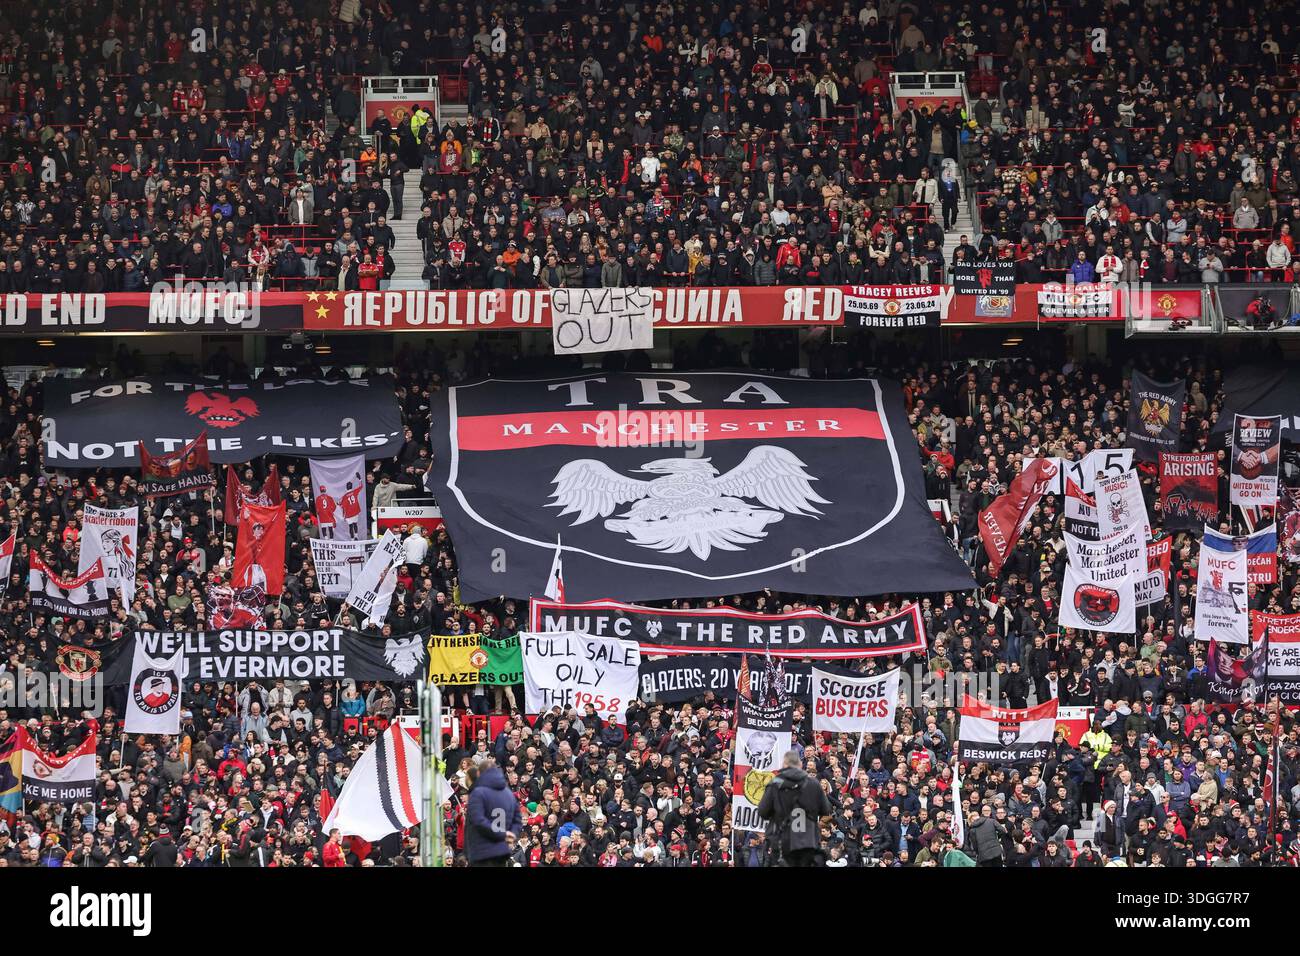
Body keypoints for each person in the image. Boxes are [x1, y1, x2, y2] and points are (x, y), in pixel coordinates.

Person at [756, 750, 832, 866]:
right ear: (801, 764)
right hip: (808, 840)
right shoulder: (813, 784)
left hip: (781, 839)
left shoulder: (775, 784)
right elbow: (826, 809)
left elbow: (763, 812)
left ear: (784, 764)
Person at [465, 763, 522, 866]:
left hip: (482, 852)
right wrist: (512, 835)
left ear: (479, 773)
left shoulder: (478, 793)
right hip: (502, 852)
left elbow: (478, 820)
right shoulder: (508, 793)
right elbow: (518, 820)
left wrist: (502, 834)